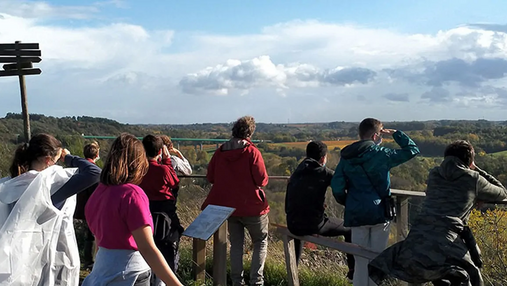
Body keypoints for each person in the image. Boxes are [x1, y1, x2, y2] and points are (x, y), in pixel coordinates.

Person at [369, 140, 507, 286]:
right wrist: (476, 172)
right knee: (471, 275)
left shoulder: (434, 173)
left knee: (421, 269)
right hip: (448, 238)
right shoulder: (473, 178)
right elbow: (502, 192)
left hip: (419, 234)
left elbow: (433, 194)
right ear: (469, 161)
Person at [83, 133, 183, 286]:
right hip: (131, 273)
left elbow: (98, 240)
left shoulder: (99, 192)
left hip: (102, 269)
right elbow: (147, 248)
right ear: (138, 163)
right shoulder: (132, 194)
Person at [0, 133, 101, 286]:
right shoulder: (49, 186)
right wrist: (68, 157)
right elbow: (94, 173)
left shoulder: (10, 184)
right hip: (43, 263)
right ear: (48, 160)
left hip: (14, 261)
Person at [331, 118, 420, 286]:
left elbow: (337, 186)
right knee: (377, 259)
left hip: (356, 213)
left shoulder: (347, 156)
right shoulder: (382, 154)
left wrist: (349, 202)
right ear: (375, 135)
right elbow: (412, 150)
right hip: (380, 212)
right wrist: (396, 134)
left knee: (360, 261)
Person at [202, 115, 269, 286]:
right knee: (260, 241)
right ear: (250, 133)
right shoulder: (252, 152)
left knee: (236, 245)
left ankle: (237, 281)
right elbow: (261, 180)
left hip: (229, 208)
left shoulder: (220, 152)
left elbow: (210, 177)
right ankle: (256, 281)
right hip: (253, 207)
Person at [285, 141, 355, 280]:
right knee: (349, 229)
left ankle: (294, 274)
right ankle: (352, 272)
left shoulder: (297, 170)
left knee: (299, 231)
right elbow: (343, 182)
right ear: (323, 158)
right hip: (313, 224)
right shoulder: (324, 172)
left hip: (292, 222)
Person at [138, 135, 182, 285]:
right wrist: (167, 160)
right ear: (159, 151)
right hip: (166, 218)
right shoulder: (163, 170)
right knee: (168, 251)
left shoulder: (139, 170)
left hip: (145, 215)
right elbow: (174, 181)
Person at [74, 141, 101, 270]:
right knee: (92, 236)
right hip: (92, 209)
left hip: (78, 208)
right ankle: (91, 261)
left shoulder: (78, 170)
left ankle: (87, 261)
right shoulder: (95, 173)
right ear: (96, 155)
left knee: (87, 236)